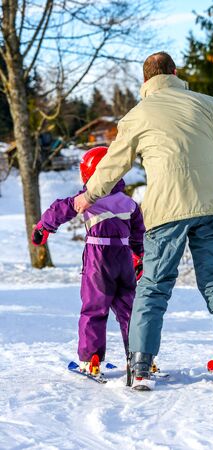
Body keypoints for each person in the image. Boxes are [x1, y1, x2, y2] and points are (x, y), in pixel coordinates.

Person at [74, 52, 213, 390]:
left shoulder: (136, 116)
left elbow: (112, 165)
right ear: (174, 73)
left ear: (146, 81)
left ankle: (140, 366)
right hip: (211, 204)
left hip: (166, 208)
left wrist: (89, 196)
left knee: (154, 286)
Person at [32, 146, 145, 376]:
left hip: (98, 258)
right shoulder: (129, 203)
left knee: (94, 309)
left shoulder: (87, 199)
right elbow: (138, 233)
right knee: (129, 310)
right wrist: (138, 257)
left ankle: (90, 359)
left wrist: (44, 227)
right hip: (124, 259)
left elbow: (61, 209)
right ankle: (139, 358)